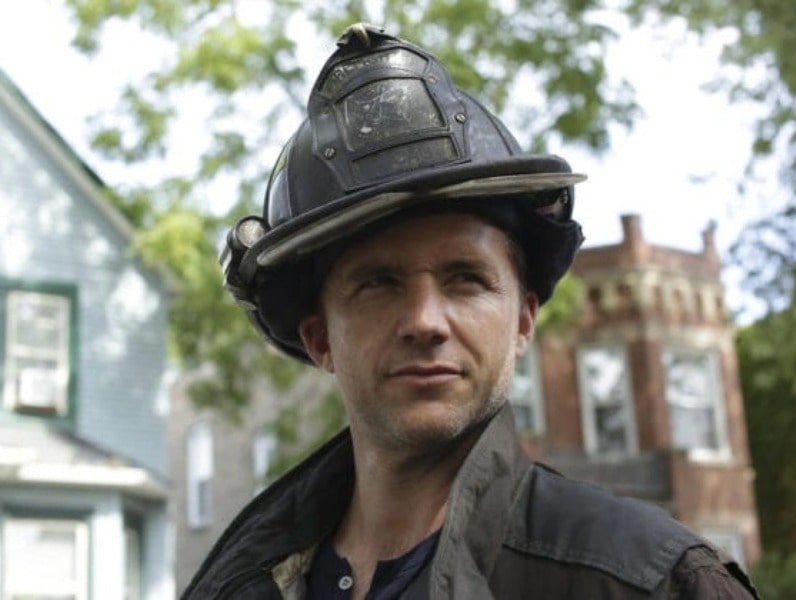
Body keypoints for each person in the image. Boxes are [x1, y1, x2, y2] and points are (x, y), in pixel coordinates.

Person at [183, 23, 758, 599]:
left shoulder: (654, 585)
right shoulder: (239, 589)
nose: (426, 321)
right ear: (320, 339)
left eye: (466, 279)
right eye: (379, 283)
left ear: (523, 322)